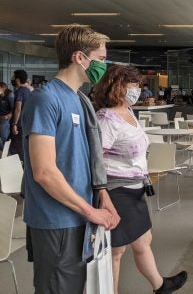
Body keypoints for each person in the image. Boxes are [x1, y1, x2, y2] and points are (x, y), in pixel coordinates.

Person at [21, 25, 120, 293]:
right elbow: (44, 172)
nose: (103, 66)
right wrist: (90, 211)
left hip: (78, 216)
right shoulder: (45, 99)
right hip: (56, 220)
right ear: (79, 57)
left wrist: (103, 197)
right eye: (100, 59)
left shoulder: (79, 100)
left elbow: (83, 159)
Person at [94, 65, 188, 294]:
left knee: (143, 239)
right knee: (116, 250)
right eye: (133, 85)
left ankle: (160, 285)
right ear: (118, 86)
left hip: (135, 187)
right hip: (117, 189)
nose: (138, 90)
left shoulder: (128, 112)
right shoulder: (107, 118)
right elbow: (94, 160)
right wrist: (101, 191)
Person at [9, 69, 32, 160]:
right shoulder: (28, 91)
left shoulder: (19, 91)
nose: (12, 79)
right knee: (21, 147)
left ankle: (20, 169)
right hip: (25, 124)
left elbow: (18, 109)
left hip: (19, 126)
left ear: (18, 79)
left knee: (15, 149)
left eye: (13, 77)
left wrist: (14, 124)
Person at [0, 82, 14, 151]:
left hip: (4, 120)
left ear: (2, 88)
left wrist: (7, 116)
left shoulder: (9, 96)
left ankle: (4, 153)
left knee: (4, 137)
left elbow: (13, 109)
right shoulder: (1, 96)